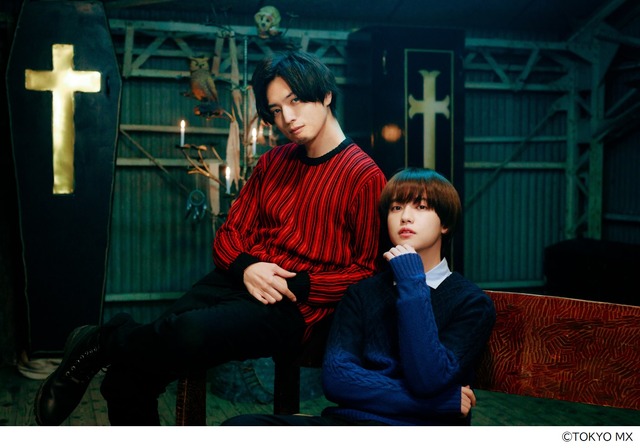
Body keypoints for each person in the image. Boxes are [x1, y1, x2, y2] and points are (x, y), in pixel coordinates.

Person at [34, 50, 386, 425]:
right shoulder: (273, 162)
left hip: (291, 303)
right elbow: (229, 233)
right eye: (276, 110)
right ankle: (104, 351)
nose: (287, 118)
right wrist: (247, 268)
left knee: (186, 332)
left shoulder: (364, 176)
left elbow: (366, 273)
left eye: (295, 100)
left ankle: (101, 341)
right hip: (235, 279)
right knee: (126, 379)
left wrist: (296, 283)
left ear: (326, 95)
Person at [223, 167, 496, 426]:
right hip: (347, 423)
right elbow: (337, 380)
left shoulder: (471, 303)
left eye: (421, 207)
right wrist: (439, 403)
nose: (405, 217)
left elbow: (427, 378)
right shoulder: (362, 293)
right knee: (237, 428)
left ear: (445, 223)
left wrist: (411, 281)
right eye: (396, 207)